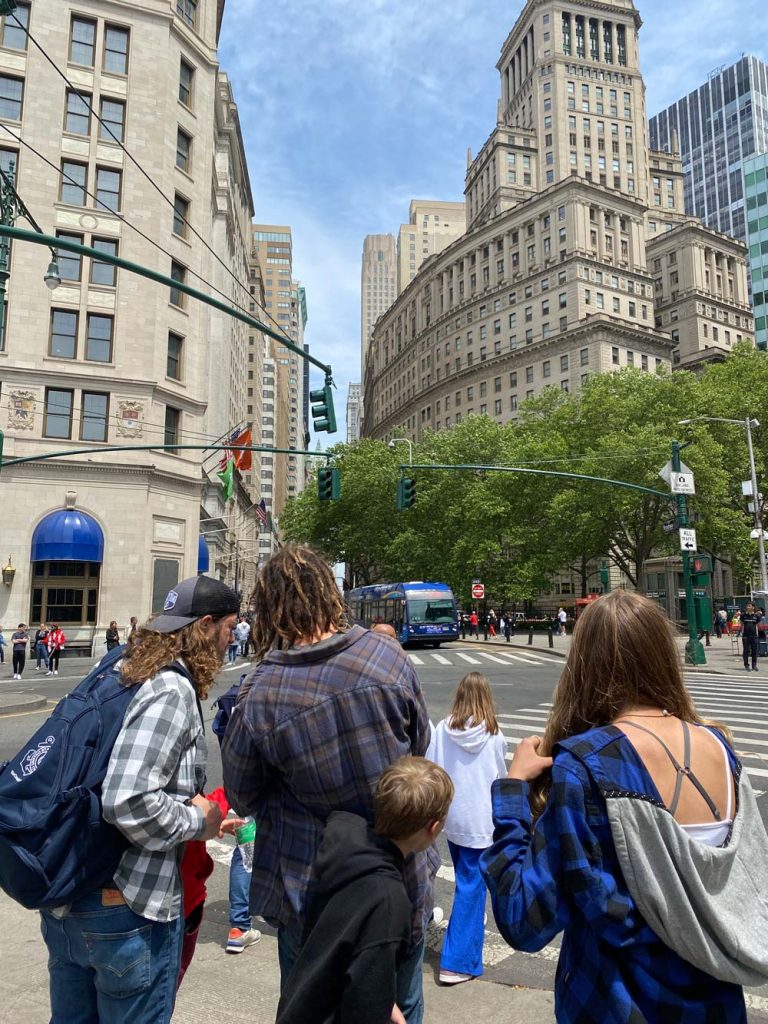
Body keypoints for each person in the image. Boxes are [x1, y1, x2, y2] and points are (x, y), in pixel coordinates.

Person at [480, 589, 768, 1023]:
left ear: (584, 665)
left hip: (619, 1005)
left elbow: (524, 919)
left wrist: (512, 790)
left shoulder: (586, 765)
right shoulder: (719, 747)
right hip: (716, 1005)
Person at [223, 545, 437, 1024]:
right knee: (406, 1004)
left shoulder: (261, 690)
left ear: (272, 607)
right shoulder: (387, 658)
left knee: (311, 1008)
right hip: (397, 877)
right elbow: (418, 753)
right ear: (329, 592)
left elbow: (242, 794)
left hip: (310, 888)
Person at [39, 574, 239, 1024]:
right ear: (205, 625)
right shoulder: (170, 689)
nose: (232, 641)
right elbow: (127, 800)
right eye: (229, 628)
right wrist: (198, 821)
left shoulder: (117, 670)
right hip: (126, 909)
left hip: (70, 896)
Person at [277, 756, 453, 1024]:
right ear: (434, 828)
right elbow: (364, 1005)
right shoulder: (388, 902)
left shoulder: (341, 837)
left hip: (302, 1004)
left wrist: (385, 1000)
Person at [427, 673, 507, 985]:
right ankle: (456, 962)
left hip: (453, 815)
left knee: (466, 878)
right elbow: (501, 776)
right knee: (472, 886)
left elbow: (433, 769)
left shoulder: (442, 729)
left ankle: (469, 926)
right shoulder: (494, 734)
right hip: (482, 819)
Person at [741, 602, 763, 672]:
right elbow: (741, 625)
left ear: (753, 607)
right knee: (746, 651)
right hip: (745, 636)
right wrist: (742, 634)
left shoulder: (756, 616)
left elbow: (758, 625)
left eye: (749, 606)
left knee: (754, 651)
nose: (747, 607)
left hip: (754, 636)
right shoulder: (743, 616)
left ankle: (754, 665)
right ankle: (746, 665)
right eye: (747, 606)